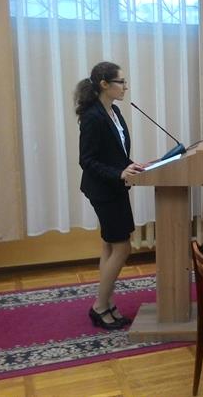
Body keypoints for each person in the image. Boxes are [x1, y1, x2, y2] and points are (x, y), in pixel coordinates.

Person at [76, 61, 146, 330]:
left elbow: (114, 152)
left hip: (115, 187)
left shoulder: (114, 111)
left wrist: (130, 164)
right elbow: (87, 160)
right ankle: (99, 306)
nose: (125, 87)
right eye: (121, 82)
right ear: (105, 85)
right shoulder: (92, 117)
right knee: (122, 247)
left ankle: (107, 302)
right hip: (103, 190)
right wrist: (119, 173)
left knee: (109, 246)